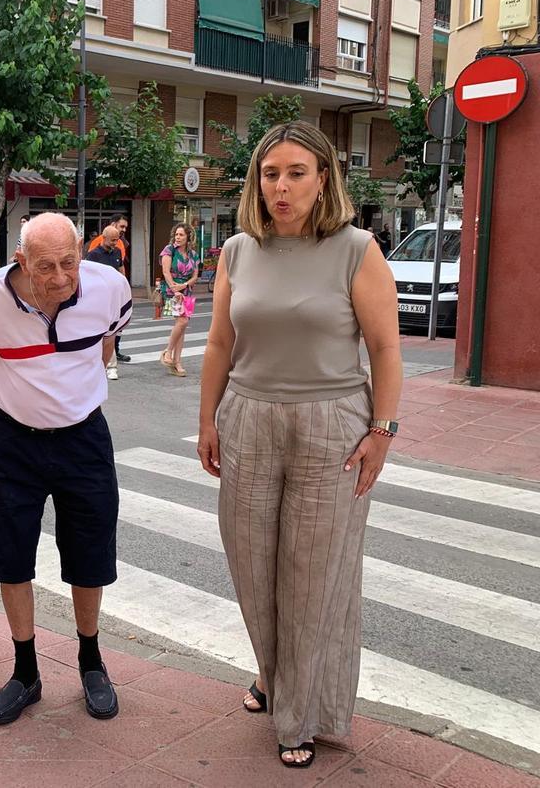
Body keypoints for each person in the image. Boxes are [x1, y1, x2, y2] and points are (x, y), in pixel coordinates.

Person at [197, 123, 401, 768]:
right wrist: (207, 421)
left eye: (296, 173)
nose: (281, 187)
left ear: (323, 179)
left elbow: (385, 348)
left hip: (332, 425)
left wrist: (383, 431)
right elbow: (221, 343)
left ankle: (299, 716)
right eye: (270, 174)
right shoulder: (237, 251)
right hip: (248, 418)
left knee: (313, 579)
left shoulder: (356, 249)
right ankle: (273, 673)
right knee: (253, 569)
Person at [0, 213, 131, 726]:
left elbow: (105, 343)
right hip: (11, 441)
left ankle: (91, 661)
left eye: (68, 263)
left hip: (83, 438)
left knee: (90, 552)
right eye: (45, 267)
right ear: (21, 261)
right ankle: (25, 671)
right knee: (9, 555)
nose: (60, 277)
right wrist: (10, 402)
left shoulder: (109, 286)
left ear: (81, 253)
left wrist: (72, 394)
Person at [157, 224, 199, 377]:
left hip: (186, 290)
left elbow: (195, 276)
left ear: (188, 237)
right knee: (182, 321)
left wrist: (185, 285)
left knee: (182, 326)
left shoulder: (193, 254)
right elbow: (165, 272)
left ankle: (177, 362)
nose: (178, 237)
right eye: (176, 234)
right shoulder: (169, 250)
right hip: (172, 290)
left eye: (181, 235)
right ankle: (168, 352)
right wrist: (175, 290)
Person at [85, 225, 126, 380]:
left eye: (117, 240)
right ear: (104, 238)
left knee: (112, 332)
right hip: (98, 298)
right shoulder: (93, 255)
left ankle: (111, 365)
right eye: (112, 240)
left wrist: (124, 288)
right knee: (101, 331)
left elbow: (121, 270)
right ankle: (102, 364)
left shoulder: (117, 252)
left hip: (114, 297)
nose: (115, 243)